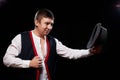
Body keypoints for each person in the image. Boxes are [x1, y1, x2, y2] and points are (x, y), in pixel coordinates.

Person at [3, 8, 101, 80]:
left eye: (52, 24)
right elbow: (6, 60)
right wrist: (29, 63)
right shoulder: (21, 38)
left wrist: (90, 51)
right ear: (36, 22)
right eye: (46, 23)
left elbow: (71, 53)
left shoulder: (53, 41)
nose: (50, 27)